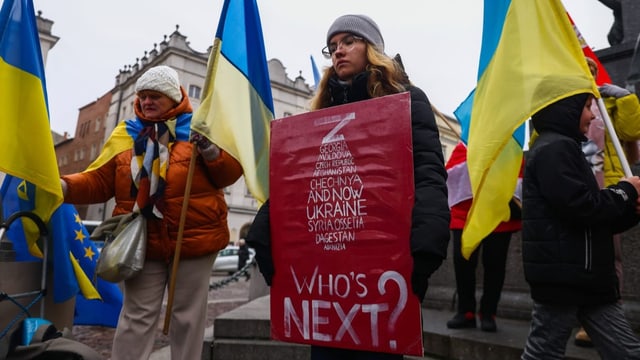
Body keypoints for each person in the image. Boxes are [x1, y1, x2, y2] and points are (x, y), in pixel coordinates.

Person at [247, 14, 450, 360]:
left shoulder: (408, 100)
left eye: (348, 42)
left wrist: (428, 242)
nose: (338, 51)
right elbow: (295, 185)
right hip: (326, 276)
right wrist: (263, 230)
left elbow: (429, 174)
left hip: (383, 268)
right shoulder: (321, 110)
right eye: (332, 47)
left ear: (371, 49)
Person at [60, 65, 243, 360]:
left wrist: (208, 149)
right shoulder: (127, 134)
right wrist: (63, 187)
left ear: (173, 97)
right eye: (143, 96)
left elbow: (229, 173)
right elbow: (99, 180)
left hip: (194, 239)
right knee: (136, 316)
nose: (146, 101)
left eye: (154, 95)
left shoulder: (199, 127)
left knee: (187, 317)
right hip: (141, 242)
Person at [520, 86, 640, 359]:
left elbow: (594, 219)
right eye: (587, 107)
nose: (592, 116)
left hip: (586, 277)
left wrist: (631, 210)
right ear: (567, 109)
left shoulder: (565, 148)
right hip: (566, 279)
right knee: (543, 353)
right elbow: (581, 206)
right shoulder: (554, 148)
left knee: (626, 352)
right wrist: (625, 190)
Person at [574, 57, 640, 347]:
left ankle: (610, 314)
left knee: (611, 256)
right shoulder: (569, 106)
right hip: (579, 187)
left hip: (610, 186)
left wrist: (625, 99)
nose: (588, 75)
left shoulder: (608, 105)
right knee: (579, 254)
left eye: (591, 71)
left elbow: (631, 132)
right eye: (582, 70)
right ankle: (583, 317)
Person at [444, 142, 522, 332]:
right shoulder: (464, 146)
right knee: (463, 263)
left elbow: (519, 180)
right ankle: (466, 311)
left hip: (498, 216)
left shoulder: (510, 147)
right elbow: (451, 176)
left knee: (495, 265)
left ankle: (488, 313)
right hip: (466, 215)